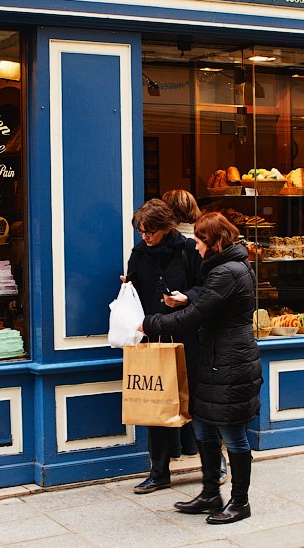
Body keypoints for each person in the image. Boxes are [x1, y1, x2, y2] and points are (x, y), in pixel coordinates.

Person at [139, 211, 261, 524]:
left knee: (233, 435)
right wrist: (186, 300)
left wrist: (151, 322)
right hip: (216, 360)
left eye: (200, 239)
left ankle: (240, 502)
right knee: (204, 427)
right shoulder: (226, 268)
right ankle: (210, 494)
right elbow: (205, 304)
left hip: (230, 363)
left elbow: (196, 316)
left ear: (215, 241)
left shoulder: (227, 272)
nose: (195, 246)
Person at [121, 199, 201, 494]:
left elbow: (205, 287)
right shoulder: (139, 252)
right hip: (154, 336)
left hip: (187, 335)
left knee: (196, 401)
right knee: (155, 402)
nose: (145, 237)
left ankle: (213, 463)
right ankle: (159, 472)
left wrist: (186, 297)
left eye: (149, 232)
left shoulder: (189, 250)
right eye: (141, 231)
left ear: (166, 228)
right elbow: (134, 287)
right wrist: (127, 285)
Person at [162, 189, 229, 484]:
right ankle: (213, 471)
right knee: (196, 397)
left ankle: (216, 470)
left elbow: (204, 296)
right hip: (196, 333)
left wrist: (158, 319)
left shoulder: (191, 249)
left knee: (188, 395)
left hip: (194, 333)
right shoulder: (178, 245)